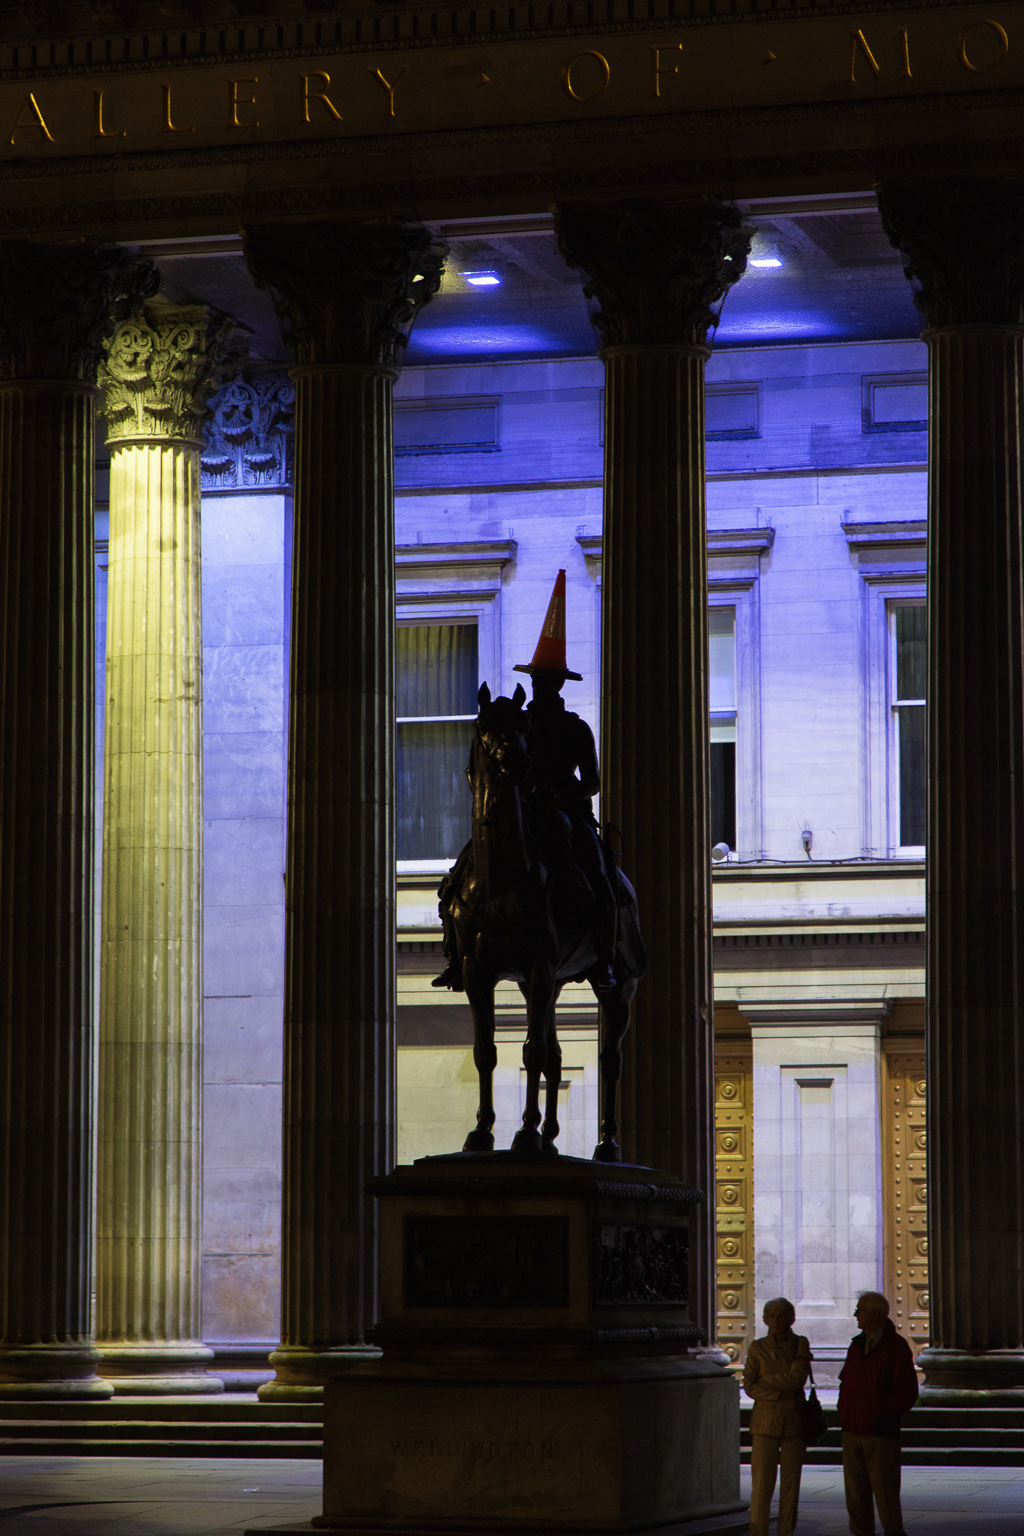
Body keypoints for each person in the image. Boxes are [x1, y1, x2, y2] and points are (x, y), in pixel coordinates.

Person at [433, 569, 620, 992]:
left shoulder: (576, 728)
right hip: (518, 809)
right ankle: (455, 957)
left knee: (602, 881)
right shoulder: (518, 724)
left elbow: (591, 781)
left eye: (547, 680)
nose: (541, 685)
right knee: (458, 876)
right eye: (537, 679)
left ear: (559, 684)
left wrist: (558, 795)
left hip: (564, 814)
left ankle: (605, 958)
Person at [838, 1291, 919, 1536]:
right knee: (856, 1498)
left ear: (875, 1314)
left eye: (860, 1310)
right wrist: (846, 1411)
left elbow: (905, 1392)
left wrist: (880, 1414)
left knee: (886, 1498)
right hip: (853, 1430)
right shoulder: (856, 1345)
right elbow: (847, 1381)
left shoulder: (895, 1347)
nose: (855, 1315)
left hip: (880, 1433)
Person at [743, 1296, 811, 1536]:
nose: (776, 1320)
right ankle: (758, 1531)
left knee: (791, 1484)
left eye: (781, 1315)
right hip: (764, 1421)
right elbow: (749, 1386)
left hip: (793, 1419)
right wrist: (777, 1389)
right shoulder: (757, 1347)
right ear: (764, 1319)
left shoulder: (800, 1343)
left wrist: (767, 1382)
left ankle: (786, 1532)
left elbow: (797, 1379)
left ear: (791, 1319)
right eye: (771, 1315)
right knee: (761, 1484)